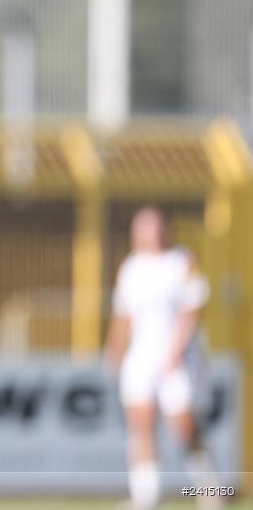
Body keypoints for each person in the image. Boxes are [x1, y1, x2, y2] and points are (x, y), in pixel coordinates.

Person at [104, 206, 216, 510]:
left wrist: (175, 350)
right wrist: (114, 349)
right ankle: (146, 494)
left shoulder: (182, 261)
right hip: (141, 355)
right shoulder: (130, 268)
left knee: (183, 424)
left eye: (153, 226)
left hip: (175, 356)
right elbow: (123, 314)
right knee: (141, 422)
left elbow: (192, 309)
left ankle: (208, 487)